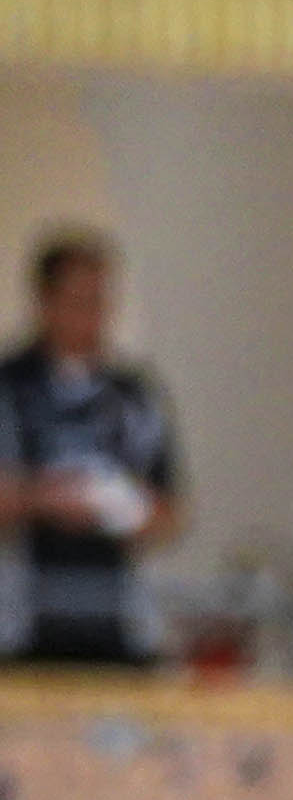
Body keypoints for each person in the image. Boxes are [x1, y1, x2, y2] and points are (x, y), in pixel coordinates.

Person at [5, 230, 178, 667]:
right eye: (77, 302)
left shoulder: (133, 394)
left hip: (116, 623)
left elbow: (170, 512)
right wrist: (46, 498)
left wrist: (117, 506)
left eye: (100, 302)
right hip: (21, 621)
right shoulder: (9, 387)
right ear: (45, 303)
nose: (91, 316)